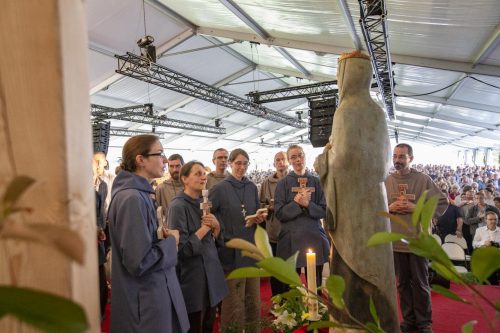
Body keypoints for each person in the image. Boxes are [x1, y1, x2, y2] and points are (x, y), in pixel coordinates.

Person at [107, 135, 189, 333]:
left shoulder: (139, 194)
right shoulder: (132, 198)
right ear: (140, 160)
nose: (165, 160)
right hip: (145, 304)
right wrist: (172, 243)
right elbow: (139, 261)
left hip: (151, 296)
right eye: (159, 154)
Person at [385, 143, 448, 333]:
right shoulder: (386, 181)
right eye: (395, 156)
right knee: (402, 284)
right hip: (395, 242)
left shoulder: (423, 180)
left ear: (411, 158)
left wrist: (417, 208)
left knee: (421, 284)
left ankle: (424, 322)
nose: (397, 160)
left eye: (402, 156)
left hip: (418, 241)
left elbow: (442, 204)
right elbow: (375, 208)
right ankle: (409, 319)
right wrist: (389, 208)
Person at [209, 148, 266, 333]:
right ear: (231, 164)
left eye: (245, 163)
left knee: (253, 302)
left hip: (250, 249)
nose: (242, 167)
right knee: (234, 304)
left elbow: (255, 211)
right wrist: (220, 232)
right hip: (231, 252)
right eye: (238, 163)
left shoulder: (251, 187)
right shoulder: (219, 189)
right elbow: (208, 216)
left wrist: (259, 218)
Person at [169, 161, 228, 333]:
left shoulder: (205, 201)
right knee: (194, 326)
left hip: (211, 274)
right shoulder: (177, 206)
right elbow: (180, 250)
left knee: (209, 324)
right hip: (193, 279)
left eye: (204, 173)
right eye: (198, 173)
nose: (203, 177)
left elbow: (213, 240)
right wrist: (203, 230)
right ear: (184, 179)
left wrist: (216, 227)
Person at [275, 145, 329, 289]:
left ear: (305, 156)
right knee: (293, 286)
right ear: (289, 161)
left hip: (314, 237)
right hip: (291, 239)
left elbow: (324, 211)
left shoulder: (317, 182)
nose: (298, 160)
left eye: (300, 155)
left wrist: (308, 205)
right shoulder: (283, 184)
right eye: (293, 157)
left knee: (315, 286)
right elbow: (279, 213)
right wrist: (297, 204)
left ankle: (315, 309)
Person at [259, 151, 289, 296]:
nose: (280, 162)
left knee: (290, 268)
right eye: (277, 160)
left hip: (291, 233)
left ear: (287, 162)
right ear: (274, 164)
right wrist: (268, 208)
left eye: (283, 159)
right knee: (275, 269)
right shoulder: (266, 183)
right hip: (273, 232)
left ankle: (292, 303)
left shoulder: (294, 180)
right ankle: (277, 300)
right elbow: (259, 205)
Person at [472, 211, 500, 284]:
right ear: (485, 220)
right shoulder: (479, 230)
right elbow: (474, 244)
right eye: (490, 219)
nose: (493, 221)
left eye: (495, 219)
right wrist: (483, 243)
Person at [156, 154, 185, 223]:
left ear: (183, 166)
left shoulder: (190, 186)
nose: (175, 169)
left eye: (178, 166)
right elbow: (156, 213)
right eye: (171, 166)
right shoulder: (161, 188)